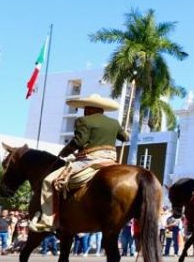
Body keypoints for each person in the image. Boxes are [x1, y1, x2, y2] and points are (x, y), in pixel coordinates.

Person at [30, 94, 127, 233]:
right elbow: (124, 137)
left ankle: (47, 220)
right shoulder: (114, 123)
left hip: (90, 158)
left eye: (86, 108)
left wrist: (64, 152)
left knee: (48, 181)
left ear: (91, 109)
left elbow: (79, 142)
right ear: (102, 110)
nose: (85, 111)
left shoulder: (84, 121)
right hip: (111, 159)